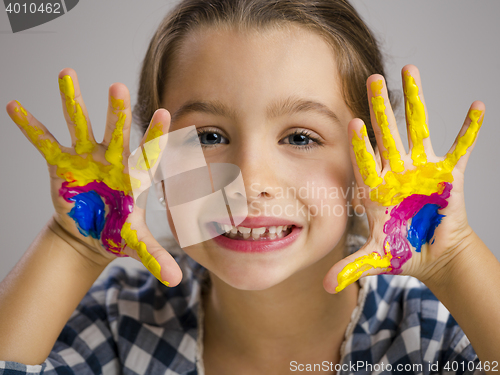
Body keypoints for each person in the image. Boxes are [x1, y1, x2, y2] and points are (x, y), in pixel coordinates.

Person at [1, 0, 499, 374]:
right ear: (150, 159)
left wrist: (454, 259)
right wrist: (72, 246)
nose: (251, 181)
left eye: (301, 137)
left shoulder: (429, 335)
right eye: (209, 136)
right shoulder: (118, 323)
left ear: (371, 159)